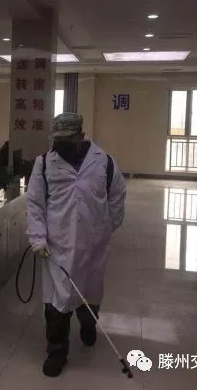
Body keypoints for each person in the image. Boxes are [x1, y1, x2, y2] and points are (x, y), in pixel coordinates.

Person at [26, 112, 126, 378]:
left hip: (94, 245)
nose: (61, 145)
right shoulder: (44, 163)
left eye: (67, 139)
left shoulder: (104, 161)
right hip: (57, 246)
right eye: (57, 140)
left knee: (90, 292)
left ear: (81, 136)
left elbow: (117, 195)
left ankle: (88, 323)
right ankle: (57, 351)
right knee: (56, 302)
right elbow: (35, 203)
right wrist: (37, 238)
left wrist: (108, 226)